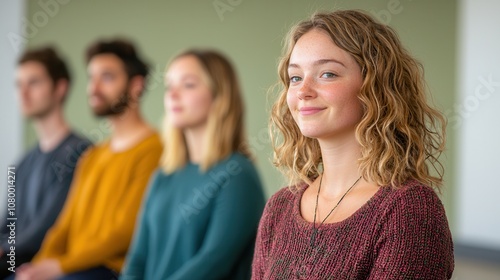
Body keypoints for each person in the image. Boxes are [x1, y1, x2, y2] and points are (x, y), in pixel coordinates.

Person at [252, 10, 454, 279]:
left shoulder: (408, 210)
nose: (303, 91)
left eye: (327, 74)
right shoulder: (280, 207)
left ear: (375, 86)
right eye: (296, 77)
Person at [14, 39, 163, 280]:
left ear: (136, 85)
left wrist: (61, 265)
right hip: (72, 269)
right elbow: (63, 226)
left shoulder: (155, 149)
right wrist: (38, 267)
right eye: (91, 77)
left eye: (107, 77)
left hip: (109, 270)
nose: (93, 88)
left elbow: (125, 232)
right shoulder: (92, 156)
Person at [122, 50, 266, 280]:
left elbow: (213, 263)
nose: (173, 95)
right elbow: (137, 259)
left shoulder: (237, 174)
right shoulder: (163, 176)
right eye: (169, 86)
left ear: (220, 95)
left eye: (188, 85)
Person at [0, 47, 92, 279]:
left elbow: (48, 228)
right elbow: (7, 226)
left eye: (34, 83)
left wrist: (5, 253)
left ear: (60, 88)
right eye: (18, 84)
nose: (23, 92)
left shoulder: (82, 154)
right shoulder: (20, 164)